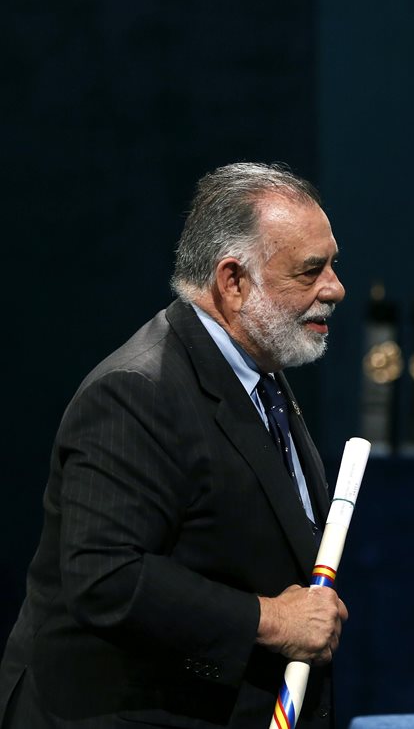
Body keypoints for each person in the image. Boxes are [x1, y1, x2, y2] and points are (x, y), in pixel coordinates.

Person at [0, 163, 349, 728]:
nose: (334, 288)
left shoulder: (262, 372)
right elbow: (105, 576)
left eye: (332, 264)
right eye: (311, 271)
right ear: (233, 282)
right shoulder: (137, 392)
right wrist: (271, 619)